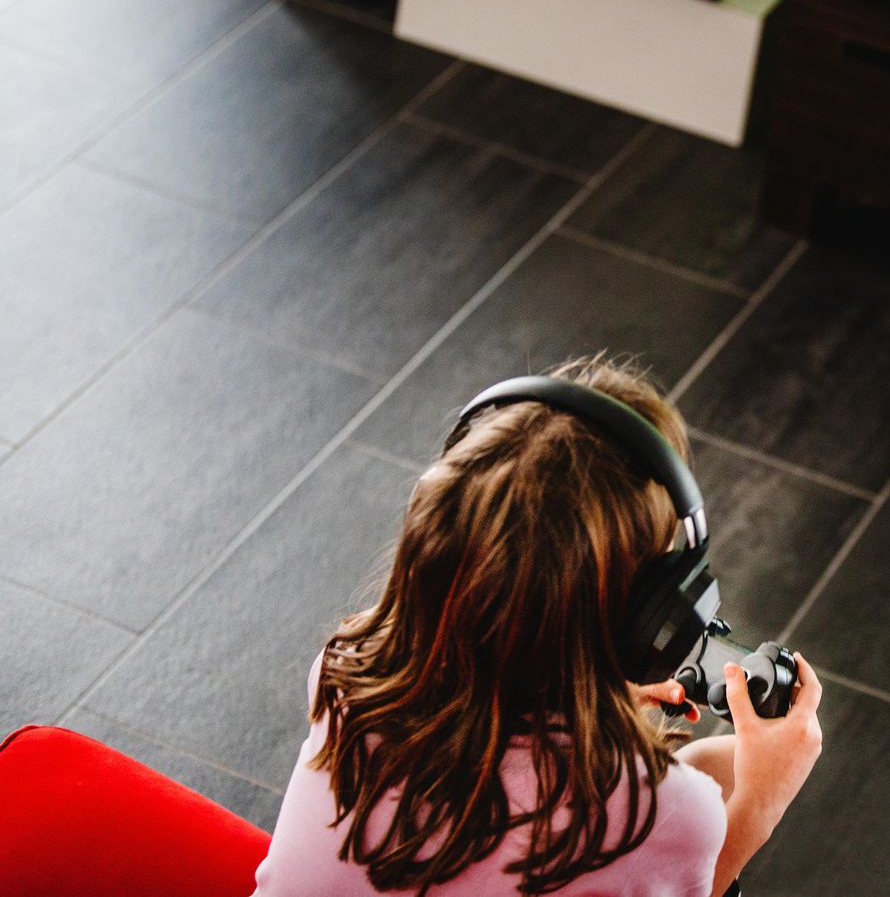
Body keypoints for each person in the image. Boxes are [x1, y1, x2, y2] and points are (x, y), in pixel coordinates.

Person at [251, 357, 823, 896]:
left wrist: (593, 687)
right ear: (646, 618)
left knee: (695, 770)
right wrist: (758, 808)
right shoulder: (651, 815)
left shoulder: (346, 670)